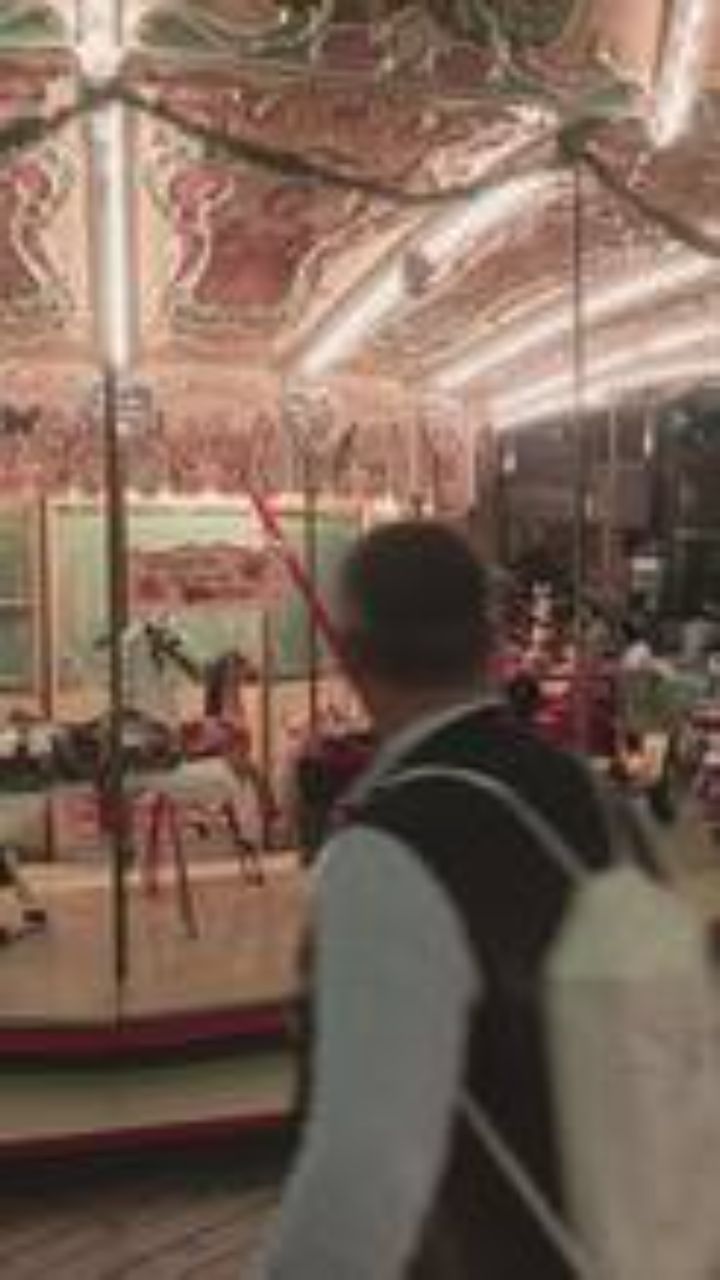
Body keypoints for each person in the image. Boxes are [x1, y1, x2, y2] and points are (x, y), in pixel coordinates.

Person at [263, 520, 612, 1280]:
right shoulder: (596, 800)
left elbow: (364, 1180)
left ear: (353, 657)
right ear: (492, 646)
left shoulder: (390, 849)